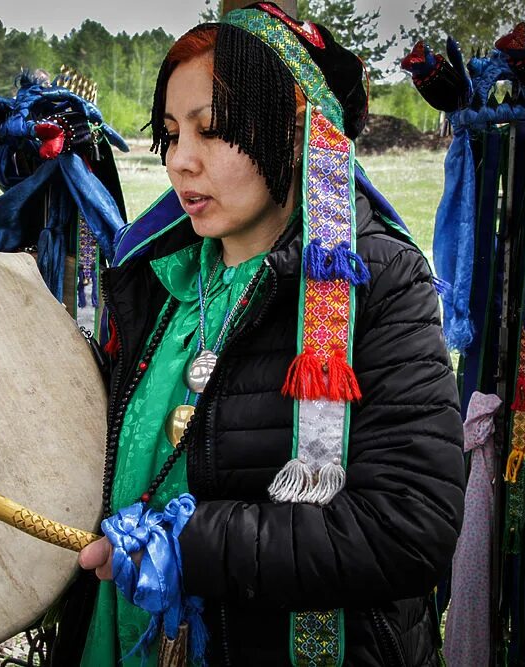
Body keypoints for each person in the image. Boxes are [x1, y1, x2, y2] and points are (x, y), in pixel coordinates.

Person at [68, 4, 465, 665]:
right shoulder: (158, 282)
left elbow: (408, 527)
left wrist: (192, 544)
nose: (181, 162)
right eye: (170, 133)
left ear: (295, 125)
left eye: (212, 130)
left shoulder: (380, 282)